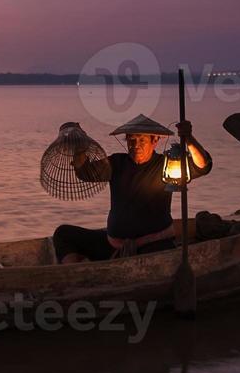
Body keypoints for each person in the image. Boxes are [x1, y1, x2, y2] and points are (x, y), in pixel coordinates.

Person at [52, 113, 212, 264]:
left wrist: (189, 138)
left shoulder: (167, 164)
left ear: (154, 140)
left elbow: (202, 165)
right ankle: (75, 273)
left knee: (158, 259)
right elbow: (86, 172)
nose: (135, 145)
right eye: (131, 140)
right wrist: (79, 146)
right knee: (63, 233)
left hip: (153, 244)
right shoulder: (116, 162)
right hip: (114, 244)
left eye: (141, 140)